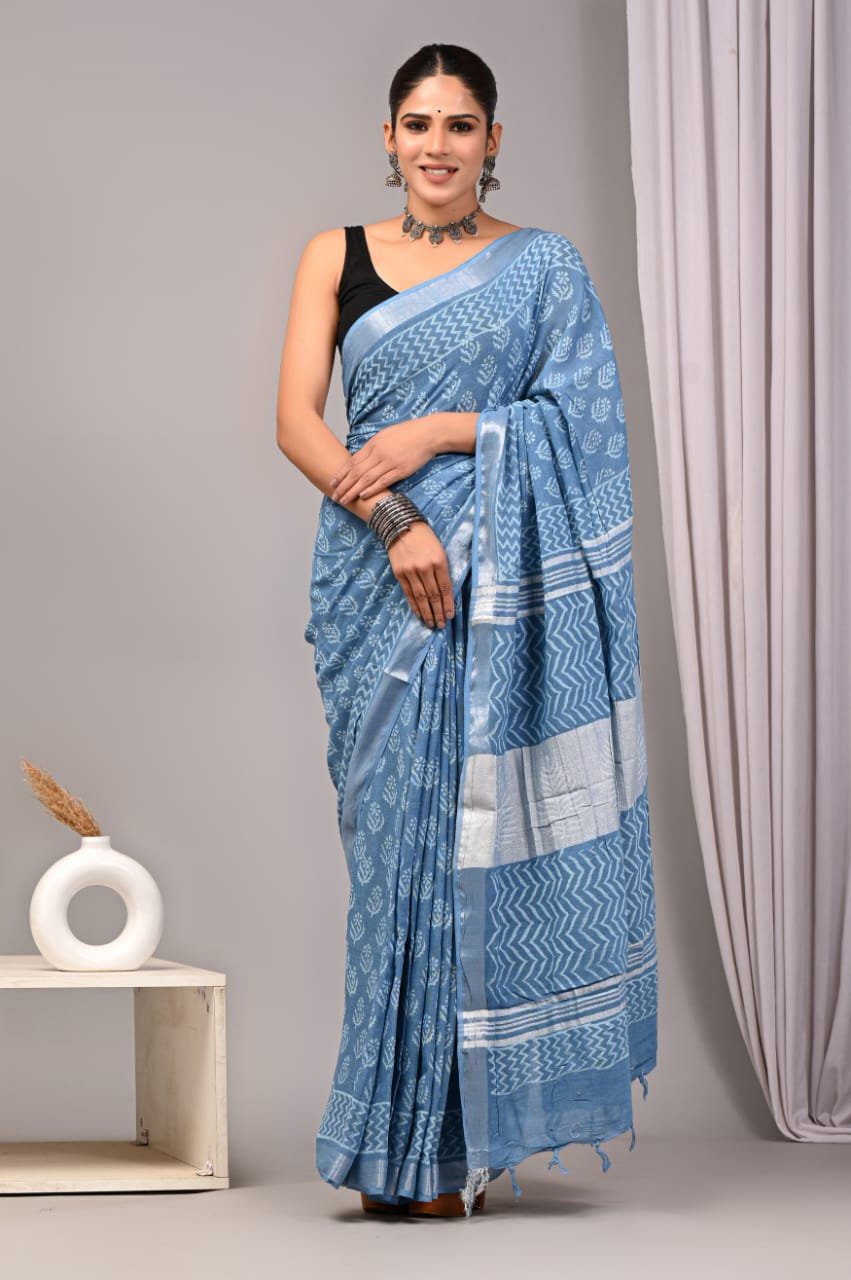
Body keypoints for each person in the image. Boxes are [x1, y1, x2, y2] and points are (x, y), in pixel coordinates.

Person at [276, 42, 658, 1220]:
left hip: (498, 590)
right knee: (389, 862)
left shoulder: (541, 266)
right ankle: (388, 1140)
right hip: (373, 583)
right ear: (386, 138)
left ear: (492, 141)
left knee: (469, 850)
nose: (436, 145)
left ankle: (447, 1152)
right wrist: (396, 520)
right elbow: (296, 422)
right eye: (416, 122)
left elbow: (581, 425)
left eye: (459, 124)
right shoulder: (334, 256)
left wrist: (445, 429)